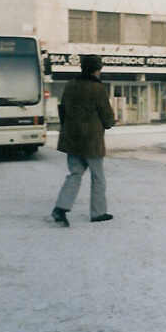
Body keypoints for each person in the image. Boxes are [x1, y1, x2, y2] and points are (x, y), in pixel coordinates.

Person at [51, 55, 116, 227]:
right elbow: (107, 115)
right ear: (97, 69)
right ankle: (98, 212)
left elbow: (62, 110)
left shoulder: (70, 85)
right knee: (98, 177)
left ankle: (61, 208)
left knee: (75, 174)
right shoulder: (98, 88)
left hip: (72, 139)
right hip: (91, 141)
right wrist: (110, 123)